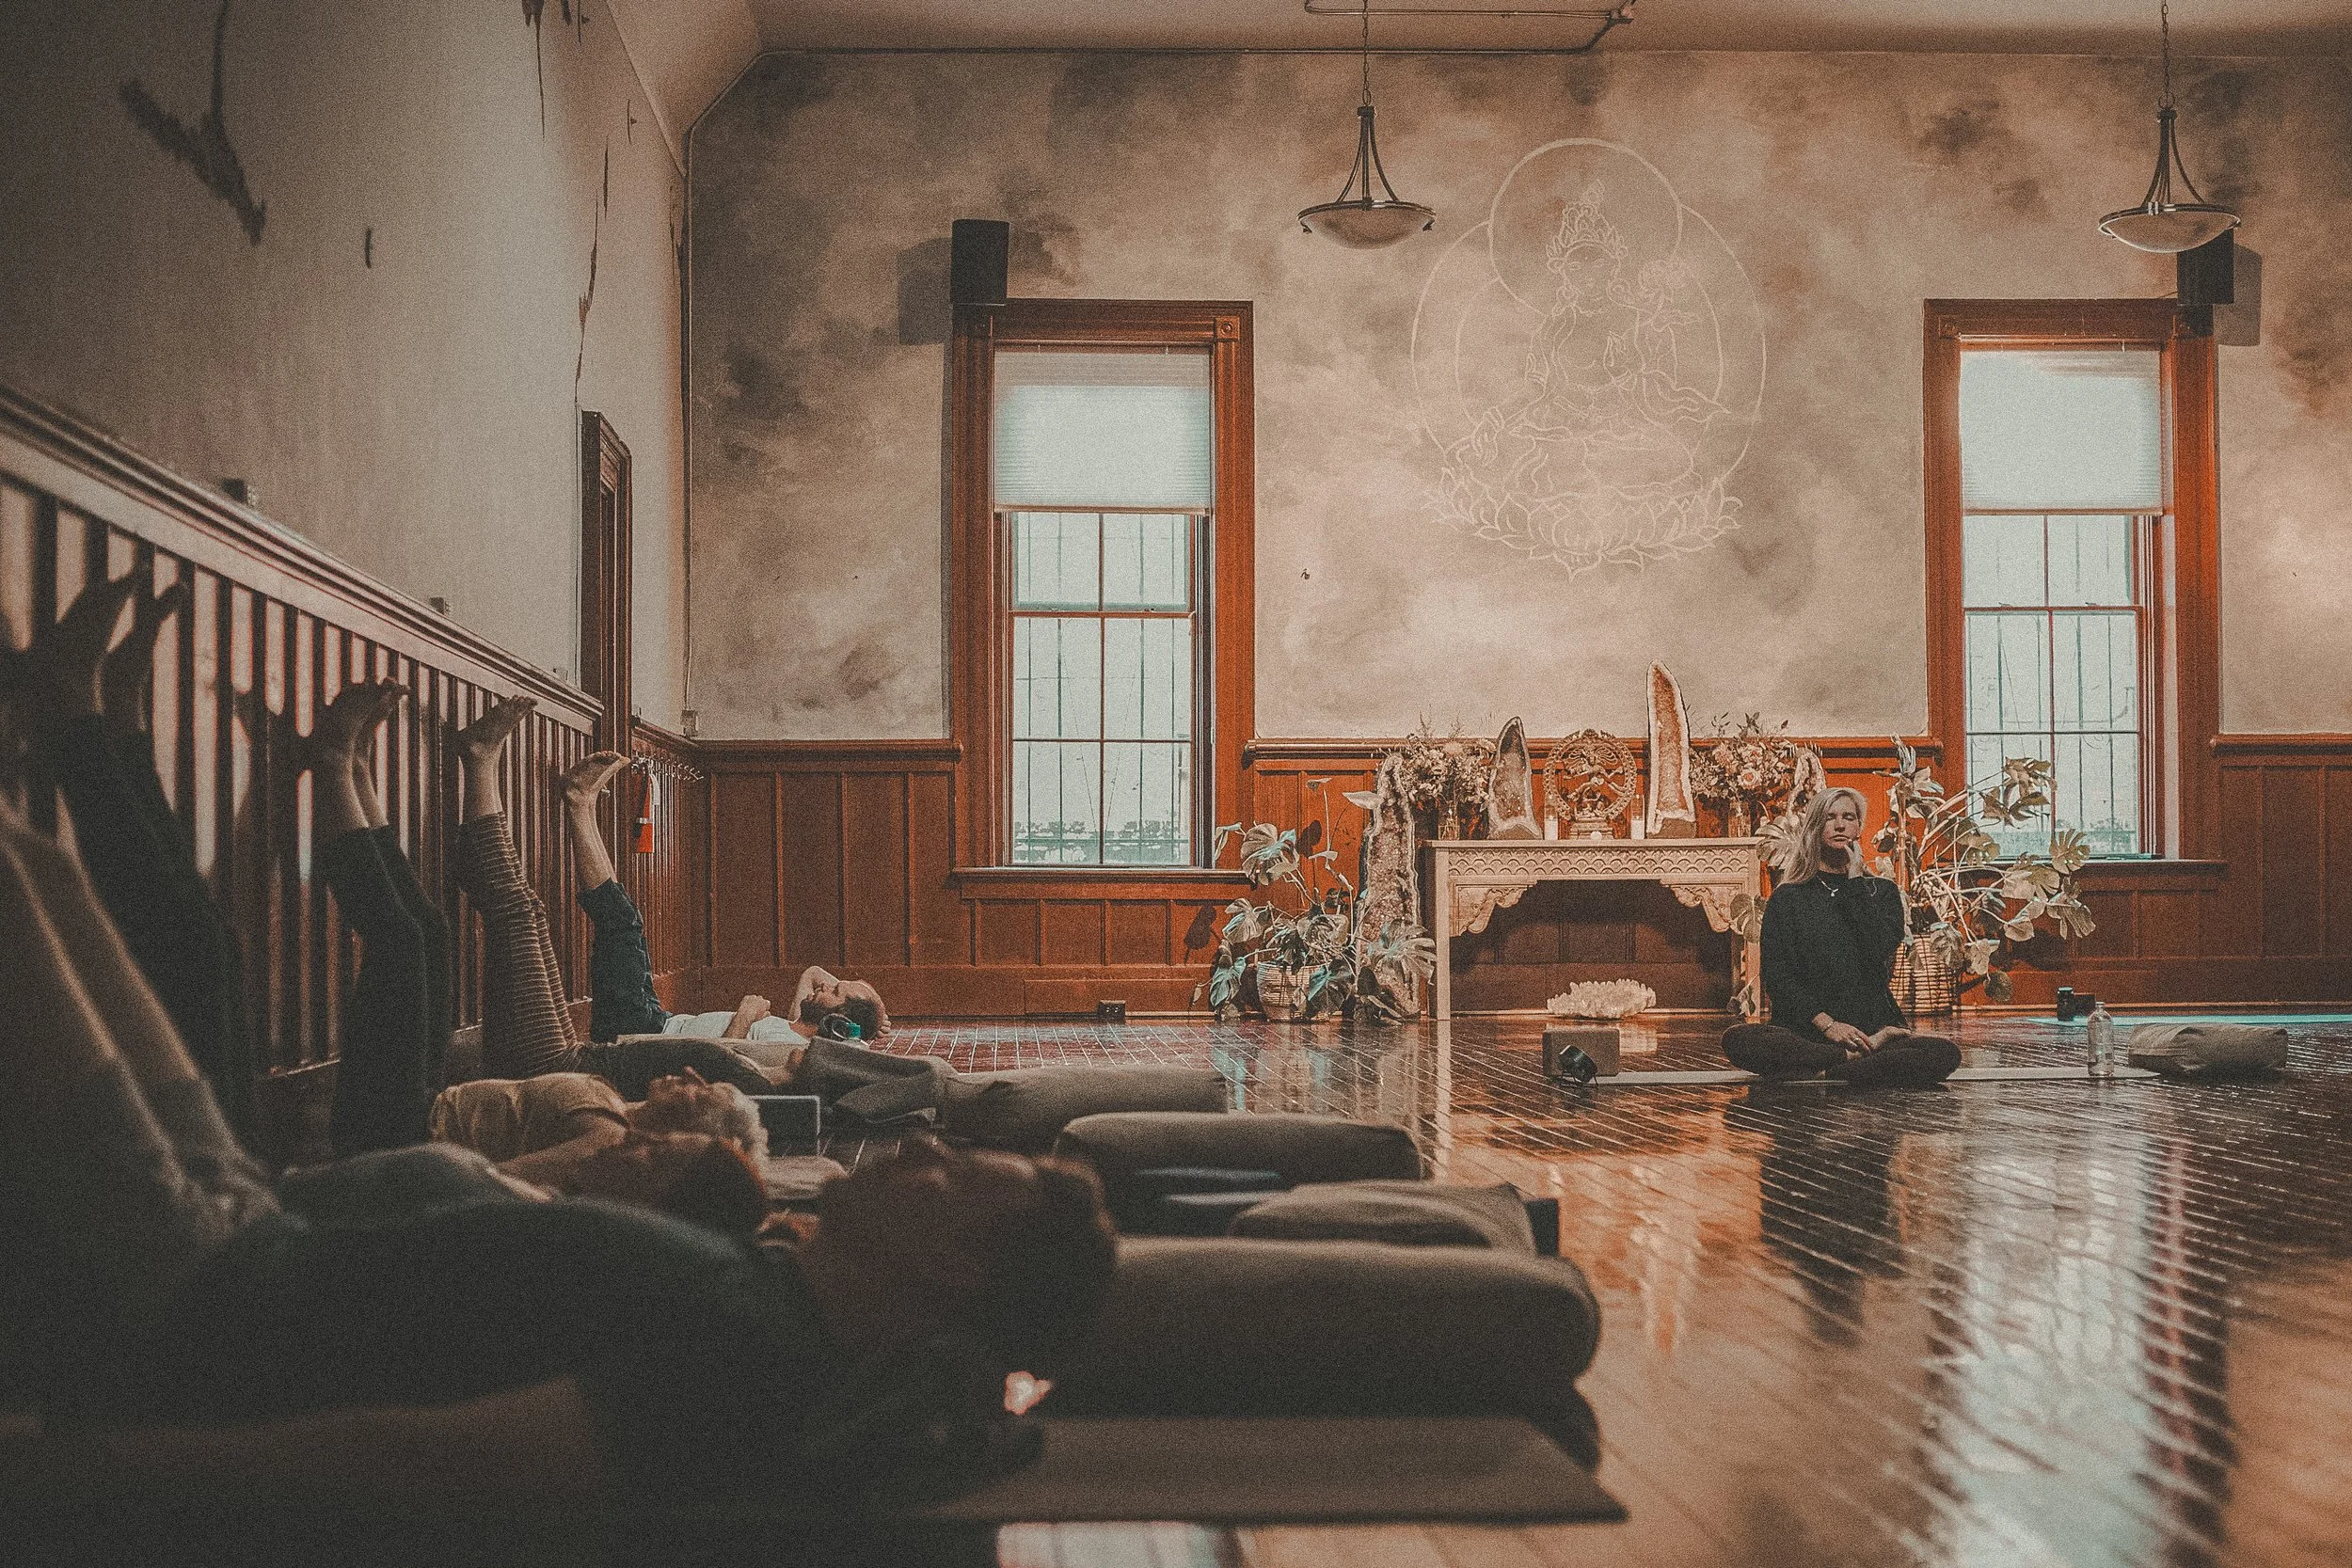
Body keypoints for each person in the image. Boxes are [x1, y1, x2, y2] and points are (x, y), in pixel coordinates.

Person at [0, 786, 1118, 1513]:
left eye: (961, 1175)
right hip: (258, 1224)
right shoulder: (781, 1285)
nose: (924, 1153)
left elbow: (414, 1462)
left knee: (17, 885)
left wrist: (63, 1481)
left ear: (956, 1268)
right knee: (45, 859)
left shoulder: (744, 1359)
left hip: (202, 1294)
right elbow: (980, 1418)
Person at [561, 748, 890, 1052]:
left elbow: (721, 1071)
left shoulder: (789, 1047)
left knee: (622, 922)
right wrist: (870, 1011)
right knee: (627, 922)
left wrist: (745, 1016)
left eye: (833, 993)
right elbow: (813, 972)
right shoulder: (799, 1023)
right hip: (660, 1020)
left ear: (837, 1024)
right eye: (833, 986)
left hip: (640, 1036)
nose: (825, 987)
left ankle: (578, 801)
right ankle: (585, 806)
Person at [1720, 786, 1962, 1088]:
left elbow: (1877, 950)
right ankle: (1851, 1061)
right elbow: (1778, 976)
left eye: (1848, 817)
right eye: (1829, 818)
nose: (1839, 825)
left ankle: (1828, 1066)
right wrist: (1828, 1025)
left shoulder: (1882, 893)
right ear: (1815, 827)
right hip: (1807, 1029)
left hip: (1871, 1026)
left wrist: (1855, 884)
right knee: (1741, 1039)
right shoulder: (1788, 897)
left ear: (1858, 827)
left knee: (1942, 1053)